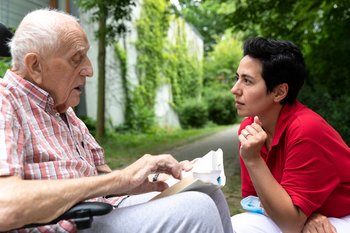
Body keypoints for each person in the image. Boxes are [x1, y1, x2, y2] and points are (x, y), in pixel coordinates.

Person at [0, 9, 233, 233]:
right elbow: (5, 206)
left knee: (208, 192)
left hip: (99, 211)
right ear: (35, 65)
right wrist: (120, 179)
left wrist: (153, 180)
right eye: (76, 59)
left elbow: (102, 180)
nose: (89, 70)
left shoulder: (63, 110)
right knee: (195, 209)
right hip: (69, 225)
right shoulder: (6, 101)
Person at [230, 37, 350, 233]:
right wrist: (306, 215)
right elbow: (254, 201)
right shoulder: (250, 127)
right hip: (303, 215)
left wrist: (253, 160)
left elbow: (290, 224)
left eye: (247, 81)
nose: (235, 89)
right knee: (239, 224)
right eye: (237, 78)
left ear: (279, 92)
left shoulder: (306, 129)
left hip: (342, 216)